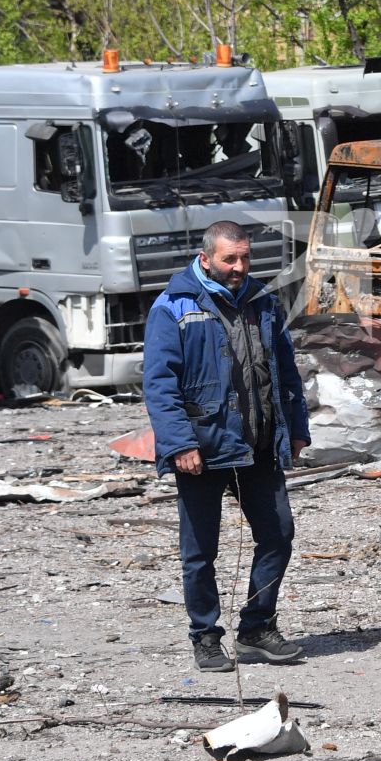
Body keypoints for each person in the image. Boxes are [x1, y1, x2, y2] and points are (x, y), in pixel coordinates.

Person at [144, 220, 312, 673]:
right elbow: (160, 386)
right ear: (206, 259)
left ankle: (257, 629)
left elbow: (286, 373)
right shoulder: (174, 307)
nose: (239, 267)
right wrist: (179, 443)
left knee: (278, 535)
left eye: (244, 258)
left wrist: (296, 429)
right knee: (200, 552)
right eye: (229, 259)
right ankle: (205, 636)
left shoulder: (263, 302)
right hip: (202, 449)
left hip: (258, 446)